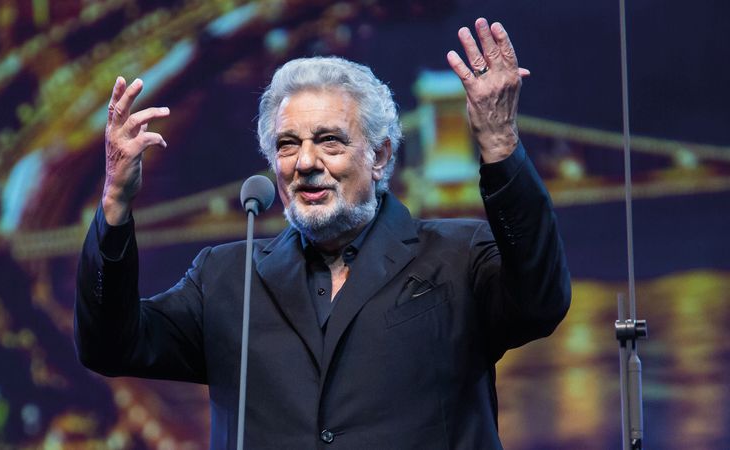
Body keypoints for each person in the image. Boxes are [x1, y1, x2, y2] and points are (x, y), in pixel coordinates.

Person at [75, 18, 570, 449]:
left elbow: (541, 302)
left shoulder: (460, 257)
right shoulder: (224, 278)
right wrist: (114, 202)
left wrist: (500, 144)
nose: (306, 162)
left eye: (329, 141)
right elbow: (109, 346)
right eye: (287, 145)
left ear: (379, 156)